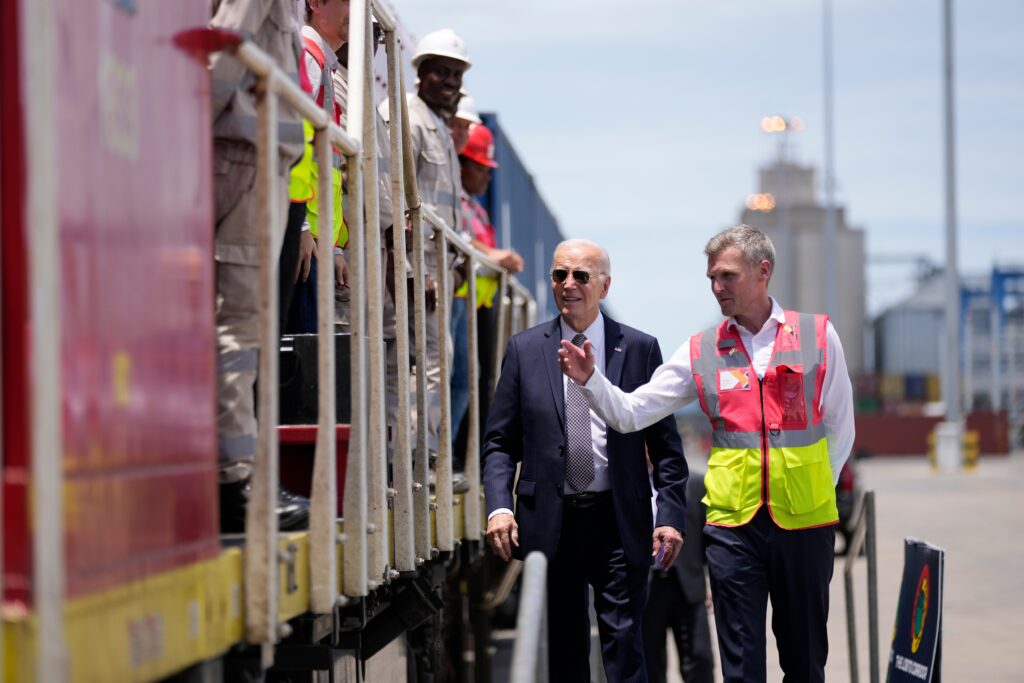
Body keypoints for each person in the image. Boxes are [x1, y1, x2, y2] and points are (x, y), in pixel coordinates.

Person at [558, 225, 856, 683]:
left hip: (806, 526)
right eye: (712, 278)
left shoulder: (818, 335)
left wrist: (811, 488)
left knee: (805, 661)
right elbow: (634, 412)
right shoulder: (702, 350)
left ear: (763, 272)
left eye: (728, 276)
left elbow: (840, 428)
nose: (717, 288)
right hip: (732, 529)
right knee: (739, 668)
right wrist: (591, 382)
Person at [483, 239, 689, 683]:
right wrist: (500, 506)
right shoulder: (524, 350)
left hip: (618, 520)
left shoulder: (637, 349)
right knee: (564, 652)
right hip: (551, 524)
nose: (569, 284)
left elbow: (668, 450)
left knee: (623, 647)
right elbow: (500, 442)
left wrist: (670, 515)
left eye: (581, 275)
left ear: (605, 285)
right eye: (560, 275)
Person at [209, 0, 309, 532]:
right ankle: (235, 483)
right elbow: (226, 48)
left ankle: (243, 474)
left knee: (241, 324)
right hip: (246, 157)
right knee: (237, 323)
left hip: (255, 156)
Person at [381, 28, 469, 459]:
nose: (450, 83)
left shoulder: (438, 128)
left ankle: (426, 452)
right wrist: (414, 273)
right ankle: (418, 455)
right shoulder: (408, 121)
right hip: (418, 269)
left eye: (456, 75)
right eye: (442, 72)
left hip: (439, 269)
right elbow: (392, 200)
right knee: (423, 365)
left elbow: (442, 209)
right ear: (422, 73)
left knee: (436, 364)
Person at [450, 122, 523, 480]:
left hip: (478, 307)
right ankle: (448, 459)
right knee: (460, 379)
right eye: (481, 167)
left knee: (477, 382)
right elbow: (461, 241)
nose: (487, 177)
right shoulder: (455, 203)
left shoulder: (476, 208)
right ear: (461, 163)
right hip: (458, 302)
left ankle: (465, 459)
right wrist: (496, 255)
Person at [285, 0, 349, 334]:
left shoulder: (323, 62)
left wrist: (334, 246)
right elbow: (288, 144)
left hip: (315, 241)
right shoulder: (309, 56)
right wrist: (300, 229)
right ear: (315, 3)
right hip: (303, 235)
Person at [644, 473, 714, 683]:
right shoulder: (628, 481)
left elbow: (707, 535)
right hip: (646, 588)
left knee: (699, 660)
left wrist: (712, 581)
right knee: (649, 664)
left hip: (688, 585)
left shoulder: (693, 483)